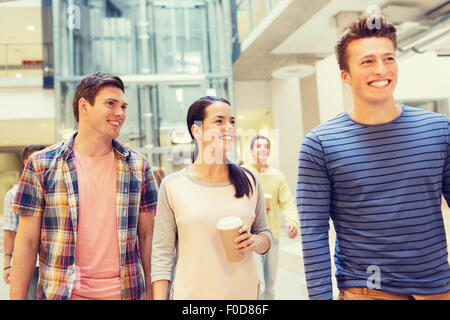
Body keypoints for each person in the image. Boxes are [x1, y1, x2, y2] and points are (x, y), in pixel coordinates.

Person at [297, 14, 450, 300]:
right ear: (345, 75)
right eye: (367, 61)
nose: (381, 69)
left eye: (389, 58)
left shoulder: (439, 129)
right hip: (368, 291)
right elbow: (314, 235)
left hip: (439, 289)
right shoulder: (320, 144)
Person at [9, 72, 158, 300]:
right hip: (63, 294)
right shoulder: (41, 165)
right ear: (84, 106)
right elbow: (27, 242)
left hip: (126, 294)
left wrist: (154, 295)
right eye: (111, 104)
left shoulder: (138, 166)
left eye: (124, 107)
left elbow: (148, 237)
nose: (120, 113)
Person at [151, 96, 272, 300]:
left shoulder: (250, 180)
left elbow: (265, 234)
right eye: (219, 121)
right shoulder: (172, 186)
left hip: (243, 295)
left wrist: (254, 241)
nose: (229, 127)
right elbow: (162, 255)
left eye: (232, 121)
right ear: (196, 130)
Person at [242, 135, 299, 300]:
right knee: (255, 283)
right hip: (250, 236)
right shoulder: (243, 174)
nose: (263, 150)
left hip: (272, 236)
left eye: (266, 147)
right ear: (251, 151)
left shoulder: (277, 176)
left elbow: (287, 202)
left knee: (271, 285)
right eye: (258, 147)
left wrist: (292, 222)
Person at [3, 144, 45, 300]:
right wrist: (8, 264)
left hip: (53, 263)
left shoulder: (55, 188)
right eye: (33, 158)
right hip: (29, 265)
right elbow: (10, 229)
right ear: (25, 161)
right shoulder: (13, 194)